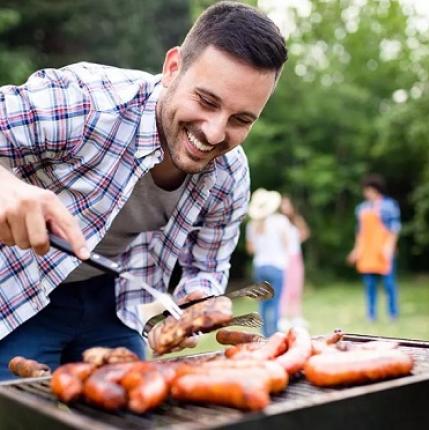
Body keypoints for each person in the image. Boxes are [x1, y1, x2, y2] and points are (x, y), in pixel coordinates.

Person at [0, 1, 287, 379]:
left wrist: (197, 301)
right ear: (172, 68)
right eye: (206, 101)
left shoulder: (230, 177)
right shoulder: (87, 101)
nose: (215, 133)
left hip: (116, 303)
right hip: (20, 289)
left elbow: (207, 266)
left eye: (241, 119)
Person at [347, 174, 401, 321]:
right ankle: (371, 315)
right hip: (367, 252)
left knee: (389, 285)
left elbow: (394, 228)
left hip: (383, 251)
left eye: (367, 190)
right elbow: (360, 232)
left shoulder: (389, 205)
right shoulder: (361, 208)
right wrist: (356, 250)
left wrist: (389, 247)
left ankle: (393, 313)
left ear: (374, 189)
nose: (365, 193)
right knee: (369, 285)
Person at [246, 189, 291, 337]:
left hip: (260, 266)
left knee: (263, 302)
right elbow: (286, 243)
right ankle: (275, 333)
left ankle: (264, 333)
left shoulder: (251, 225)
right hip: (276, 265)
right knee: (276, 301)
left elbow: (250, 249)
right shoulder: (280, 221)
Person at [278, 195, 310, 329]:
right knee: (285, 287)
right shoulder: (278, 221)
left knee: (296, 286)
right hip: (283, 258)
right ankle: (283, 318)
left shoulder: (297, 219)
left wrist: (296, 240)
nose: (286, 207)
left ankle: (296, 317)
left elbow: (305, 233)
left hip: (296, 256)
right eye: (283, 205)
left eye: (287, 204)